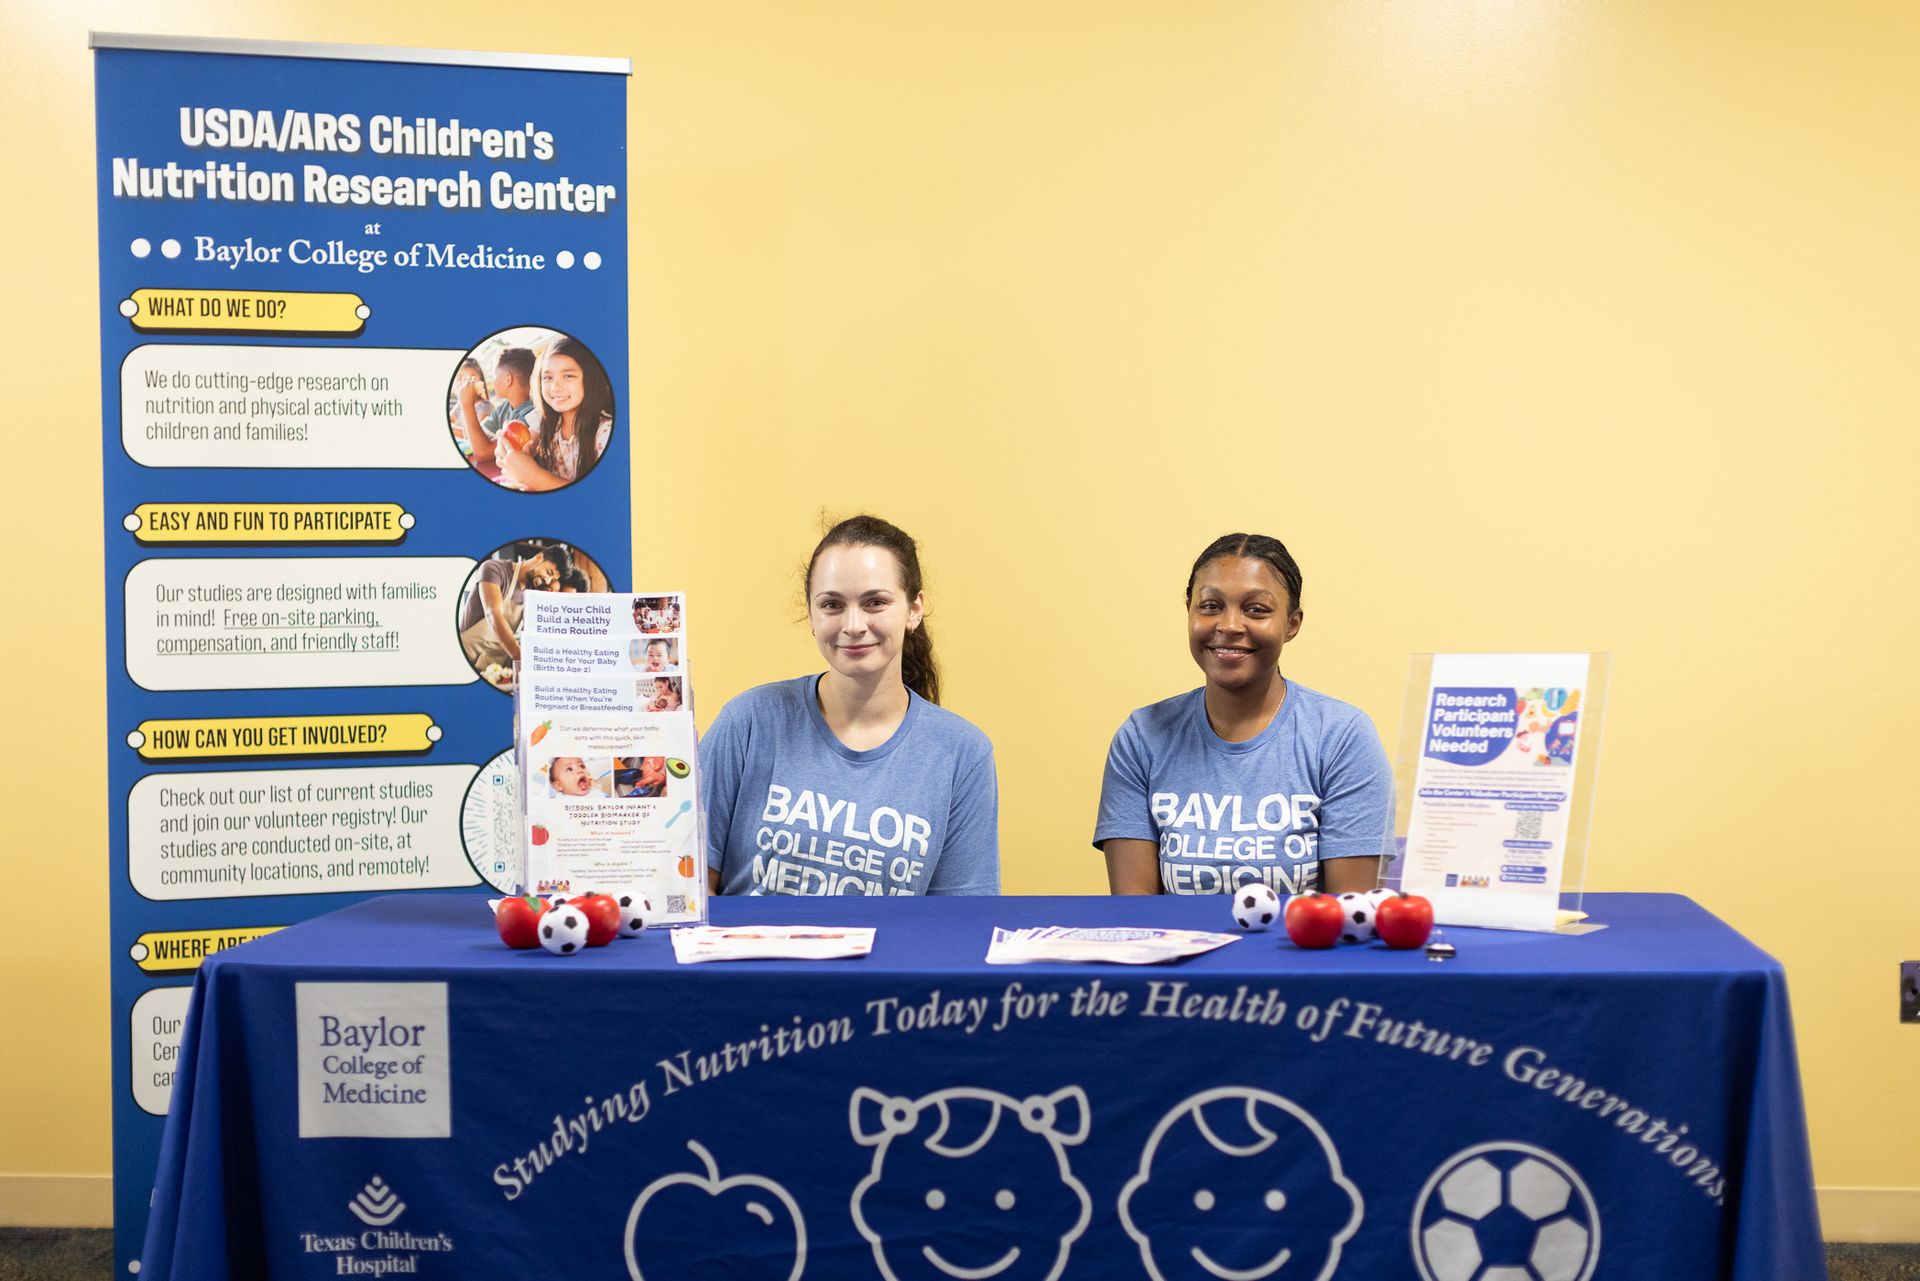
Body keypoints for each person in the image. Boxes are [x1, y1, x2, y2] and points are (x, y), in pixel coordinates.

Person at [704, 515, 999, 896]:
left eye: (875, 602)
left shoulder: (963, 754)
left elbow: (960, 922)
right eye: (832, 605)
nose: (854, 624)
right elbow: (690, 886)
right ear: (810, 614)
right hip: (749, 957)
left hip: (894, 957)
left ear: (914, 609)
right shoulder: (748, 722)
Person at [1094, 533, 1392, 897]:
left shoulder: (1342, 736)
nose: (1230, 625)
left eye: (1256, 610)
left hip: (1301, 954)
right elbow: (1135, 916)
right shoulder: (1143, 737)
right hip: (1179, 953)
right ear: (1190, 613)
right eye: (1210, 606)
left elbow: (1352, 916)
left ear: (1292, 624)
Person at [498, 336, 613, 490]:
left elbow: (599, 496)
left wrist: (533, 476)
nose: (554, 387)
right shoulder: (543, 419)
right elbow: (526, 447)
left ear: (591, 378)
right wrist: (510, 451)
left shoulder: (605, 432)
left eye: (568, 376)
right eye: (548, 378)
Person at [458, 542, 574, 674]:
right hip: (465, 657)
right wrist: (519, 656)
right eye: (548, 572)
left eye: (552, 578)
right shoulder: (494, 569)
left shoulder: (531, 593)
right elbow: (493, 613)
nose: (547, 580)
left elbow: (530, 632)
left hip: (494, 670)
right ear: (539, 558)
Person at [456, 347, 537, 467]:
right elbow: (472, 440)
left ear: (508, 379)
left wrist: (467, 405)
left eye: (495, 375)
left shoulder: (531, 414)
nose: (492, 382)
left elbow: (482, 453)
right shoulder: (503, 408)